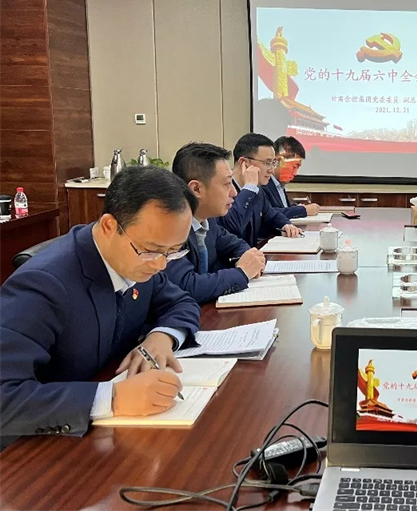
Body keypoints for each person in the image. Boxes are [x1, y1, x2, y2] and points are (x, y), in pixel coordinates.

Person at [0, 166, 201, 445]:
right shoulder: (43, 284)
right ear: (109, 226)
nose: (161, 264)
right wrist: (112, 399)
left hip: (107, 434)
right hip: (41, 446)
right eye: (151, 250)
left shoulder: (139, 259)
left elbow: (181, 302)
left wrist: (162, 337)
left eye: (173, 251)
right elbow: (4, 397)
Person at [166, 143, 266, 304]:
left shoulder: (209, 221)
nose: (234, 192)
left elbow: (237, 245)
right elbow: (186, 286)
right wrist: (242, 272)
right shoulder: (169, 227)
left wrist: (249, 258)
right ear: (196, 189)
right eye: (227, 184)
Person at [219, 133, 301, 246]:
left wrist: (285, 225)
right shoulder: (223, 191)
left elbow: (272, 215)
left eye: (273, 163)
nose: (271, 170)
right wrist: (249, 188)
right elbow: (233, 226)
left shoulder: (258, 191)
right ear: (244, 163)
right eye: (267, 163)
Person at [264, 135, 321, 219]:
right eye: (294, 167)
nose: (295, 173)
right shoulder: (263, 184)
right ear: (278, 160)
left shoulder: (279, 185)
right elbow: (268, 213)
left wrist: (297, 207)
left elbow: (284, 208)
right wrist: (303, 210)